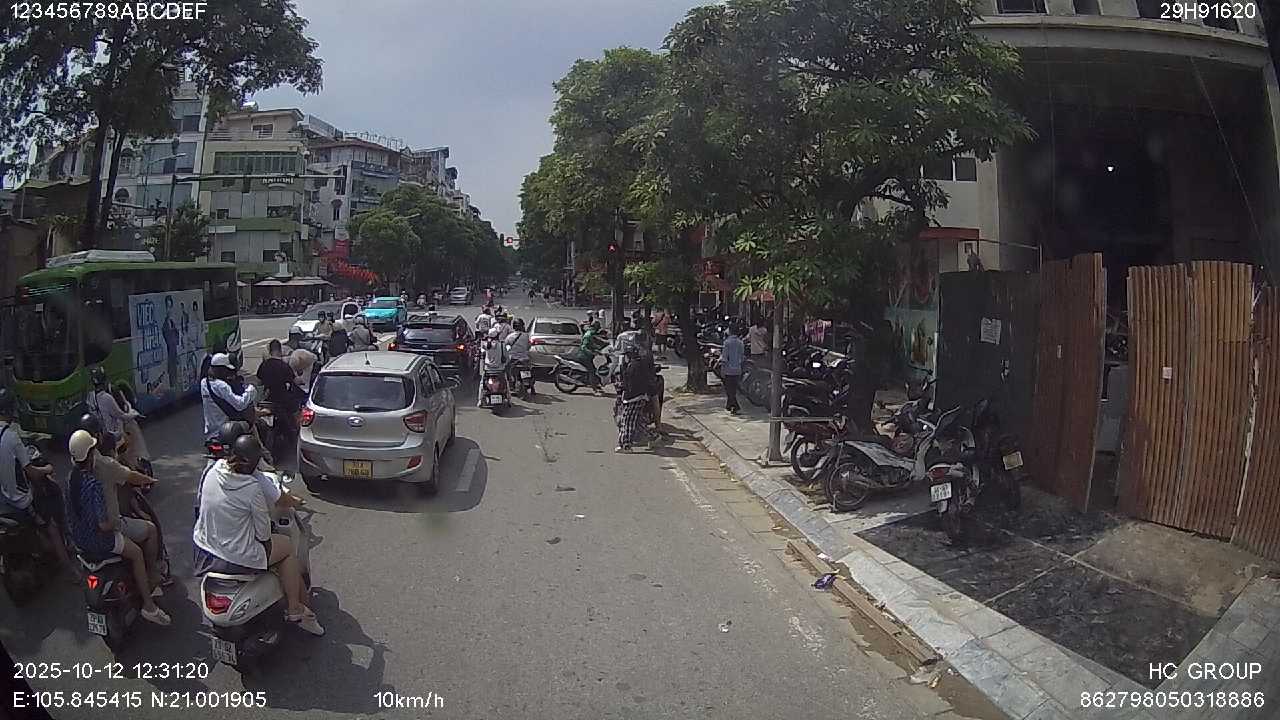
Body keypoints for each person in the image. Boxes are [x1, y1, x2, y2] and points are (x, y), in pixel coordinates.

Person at [192, 434, 323, 636]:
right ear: (255, 462)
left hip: (205, 551)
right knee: (287, 547)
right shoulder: (252, 488)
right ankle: (295, 608)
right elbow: (263, 534)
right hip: (236, 559)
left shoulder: (212, 470)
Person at [65, 430, 170, 625]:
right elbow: (104, 524)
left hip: (79, 541)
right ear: (91, 453)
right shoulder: (94, 482)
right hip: (101, 539)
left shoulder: (71, 479)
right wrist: (115, 522)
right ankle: (149, 605)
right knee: (137, 552)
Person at [77, 413, 169, 588]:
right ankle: (151, 581)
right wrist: (149, 480)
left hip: (83, 535)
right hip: (107, 532)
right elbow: (132, 478)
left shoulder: (74, 472)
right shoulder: (106, 466)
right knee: (149, 532)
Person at [0, 388, 73, 574]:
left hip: (3, 502)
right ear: (10, 410)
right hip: (19, 502)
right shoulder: (11, 437)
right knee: (52, 527)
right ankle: (71, 571)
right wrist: (47, 469)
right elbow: (32, 473)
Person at [201, 353, 258, 442]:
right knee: (252, 424)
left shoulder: (204, 383)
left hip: (211, 433)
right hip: (227, 430)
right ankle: (263, 449)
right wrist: (251, 390)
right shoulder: (221, 386)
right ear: (221, 370)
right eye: (225, 370)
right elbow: (240, 404)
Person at [614, 346, 652, 452]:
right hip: (639, 396)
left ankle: (625, 445)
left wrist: (623, 388)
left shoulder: (633, 366)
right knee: (637, 422)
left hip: (634, 397)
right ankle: (653, 437)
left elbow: (630, 384)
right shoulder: (638, 364)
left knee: (627, 421)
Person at [478, 327, 510, 406]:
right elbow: (507, 357)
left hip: (488, 370)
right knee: (506, 382)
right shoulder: (502, 345)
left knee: (482, 384)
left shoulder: (486, 345)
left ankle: (480, 400)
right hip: (500, 370)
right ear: (497, 336)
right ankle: (509, 399)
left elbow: (481, 352)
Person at [721, 323, 746, 415]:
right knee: (733, 389)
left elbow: (724, 357)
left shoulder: (727, 343)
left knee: (729, 389)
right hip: (737, 369)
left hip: (728, 369)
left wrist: (722, 369)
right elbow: (742, 357)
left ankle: (735, 406)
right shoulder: (740, 343)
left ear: (730, 331)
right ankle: (729, 406)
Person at [577, 320, 608, 394]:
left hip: (588, 356)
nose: (598, 329)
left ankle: (595, 384)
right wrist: (592, 352)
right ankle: (594, 389)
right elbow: (584, 347)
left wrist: (600, 347)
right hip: (584, 356)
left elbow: (593, 343)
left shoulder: (591, 333)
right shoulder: (588, 335)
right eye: (598, 327)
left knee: (595, 369)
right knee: (592, 371)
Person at [505, 318, 532, 391]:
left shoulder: (509, 337)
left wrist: (510, 350)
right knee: (529, 369)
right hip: (524, 359)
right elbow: (529, 346)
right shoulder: (526, 336)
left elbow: (506, 347)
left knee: (508, 370)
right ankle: (530, 385)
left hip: (513, 359)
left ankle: (511, 385)